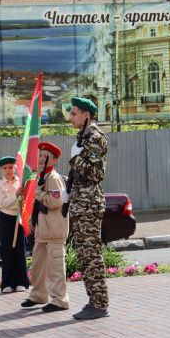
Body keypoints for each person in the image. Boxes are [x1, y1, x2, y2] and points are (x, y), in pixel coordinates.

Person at [66, 97, 110, 320]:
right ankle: (94, 301)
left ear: (86, 115)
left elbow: (96, 174)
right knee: (84, 255)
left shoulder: (95, 137)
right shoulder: (82, 137)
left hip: (89, 204)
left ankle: (100, 305)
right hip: (80, 203)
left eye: (74, 113)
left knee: (91, 255)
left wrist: (75, 159)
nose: (70, 117)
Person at [20, 142, 69, 313]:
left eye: (44, 156)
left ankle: (60, 300)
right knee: (38, 265)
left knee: (56, 267)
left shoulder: (54, 178)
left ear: (54, 160)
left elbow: (56, 201)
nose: (40, 159)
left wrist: (36, 193)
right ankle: (39, 294)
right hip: (43, 230)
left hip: (54, 229)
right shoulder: (41, 177)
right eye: (39, 156)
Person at [0, 156, 29, 293]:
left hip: (19, 217)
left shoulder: (21, 183)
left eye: (10, 167)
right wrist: (16, 195)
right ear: (1, 170)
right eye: (5, 168)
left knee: (20, 250)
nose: (8, 170)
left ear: (15, 168)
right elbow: (3, 203)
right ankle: (7, 283)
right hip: (6, 217)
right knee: (7, 250)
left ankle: (21, 282)